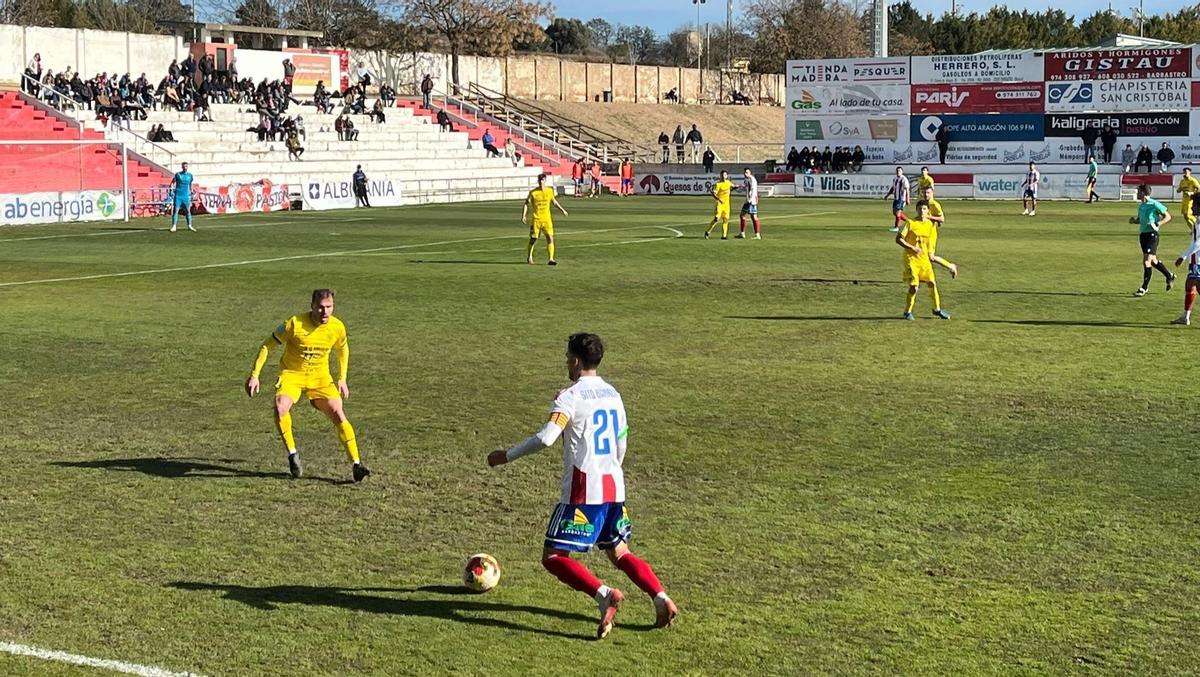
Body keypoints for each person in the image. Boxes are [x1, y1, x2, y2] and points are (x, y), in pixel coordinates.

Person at [485, 333, 678, 640]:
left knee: (554, 557)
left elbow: (546, 438)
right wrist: (610, 467)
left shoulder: (569, 397)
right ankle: (660, 597)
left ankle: (604, 594)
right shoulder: (614, 394)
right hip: (614, 486)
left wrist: (505, 456)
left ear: (575, 360)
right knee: (620, 552)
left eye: (566, 358)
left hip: (582, 492)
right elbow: (622, 442)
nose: (566, 363)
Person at [245, 289, 370, 483]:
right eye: (320, 307)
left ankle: (356, 464)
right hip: (292, 375)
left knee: (338, 412)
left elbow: (343, 348)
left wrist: (342, 378)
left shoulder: (337, 327)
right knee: (280, 408)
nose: (325, 312)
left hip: (320, 377)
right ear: (311, 306)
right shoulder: (294, 324)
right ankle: (292, 454)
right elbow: (266, 345)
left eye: (329, 307)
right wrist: (255, 375)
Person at [897, 201, 950, 320]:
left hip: (924, 259)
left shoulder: (930, 225)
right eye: (920, 209)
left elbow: (931, 241)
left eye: (924, 209)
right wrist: (912, 248)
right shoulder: (910, 223)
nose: (922, 211)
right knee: (914, 286)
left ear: (927, 211)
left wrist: (930, 253)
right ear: (917, 210)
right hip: (911, 259)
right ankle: (907, 311)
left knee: (932, 283)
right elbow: (898, 239)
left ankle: (937, 309)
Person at [1130, 183, 1175, 297]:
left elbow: (1168, 216)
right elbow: (1141, 220)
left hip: (1152, 235)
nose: (1137, 193)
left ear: (1143, 193)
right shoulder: (1141, 206)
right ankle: (1169, 275)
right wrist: (1134, 221)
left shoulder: (1154, 204)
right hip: (1143, 235)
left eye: (1138, 191)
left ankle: (1144, 287)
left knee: (1146, 260)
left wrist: (1157, 223)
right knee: (1153, 260)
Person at [522, 173, 568, 265]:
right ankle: (529, 256)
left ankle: (551, 259)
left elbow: (554, 202)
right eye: (539, 180)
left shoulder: (549, 191)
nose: (541, 182)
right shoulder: (533, 193)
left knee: (550, 238)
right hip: (536, 219)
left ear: (545, 180)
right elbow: (526, 203)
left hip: (547, 219)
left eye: (542, 180)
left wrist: (562, 210)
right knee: (533, 239)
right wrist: (524, 215)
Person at [1171, 200, 1200, 325]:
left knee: (1194, 284)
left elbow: (1198, 243)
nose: (1191, 207)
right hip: (1195, 259)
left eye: (1194, 205)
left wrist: (1182, 256)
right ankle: (1185, 317)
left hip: (1197, 260)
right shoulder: (1197, 221)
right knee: (1190, 285)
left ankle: (1185, 317)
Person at [921, 187, 958, 279]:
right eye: (925, 193)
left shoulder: (935, 204)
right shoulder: (923, 204)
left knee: (931, 257)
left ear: (932, 193)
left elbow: (942, 219)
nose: (926, 194)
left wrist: (929, 217)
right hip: (922, 233)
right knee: (921, 254)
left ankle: (950, 266)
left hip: (930, 234)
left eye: (928, 193)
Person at [704, 170, 734, 240]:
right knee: (716, 218)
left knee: (725, 219)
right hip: (719, 204)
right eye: (722, 175)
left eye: (725, 175)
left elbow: (732, 187)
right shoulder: (718, 184)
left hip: (726, 205)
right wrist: (719, 199)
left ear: (727, 176)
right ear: (720, 176)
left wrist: (737, 187)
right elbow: (714, 194)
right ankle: (708, 231)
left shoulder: (728, 183)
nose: (723, 177)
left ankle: (724, 236)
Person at [169, 162, 195, 232]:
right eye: (184, 166)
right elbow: (172, 182)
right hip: (178, 195)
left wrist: (191, 191)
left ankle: (189, 225)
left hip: (186, 196)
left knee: (188, 211)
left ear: (187, 167)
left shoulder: (190, 175)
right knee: (176, 211)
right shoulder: (178, 174)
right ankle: (174, 226)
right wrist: (171, 189)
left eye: (186, 166)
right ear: (182, 167)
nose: (185, 167)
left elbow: (190, 184)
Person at [883, 166, 910, 232]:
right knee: (895, 213)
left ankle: (896, 227)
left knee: (898, 213)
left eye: (900, 171)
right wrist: (887, 195)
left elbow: (907, 189)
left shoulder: (904, 179)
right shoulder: (895, 179)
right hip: (896, 198)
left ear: (902, 172)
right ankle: (909, 222)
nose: (898, 172)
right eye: (897, 171)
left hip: (901, 199)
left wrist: (907, 199)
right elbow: (893, 188)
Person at [737, 167, 761, 240]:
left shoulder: (751, 179)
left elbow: (753, 190)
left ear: (750, 173)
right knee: (742, 215)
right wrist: (738, 188)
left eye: (747, 172)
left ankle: (757, 235)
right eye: (744, 172)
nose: (745, 174)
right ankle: (742, 233)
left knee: (753, 217)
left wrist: (751, 200)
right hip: (748, 200)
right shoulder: (746, 179)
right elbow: (746, 188)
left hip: (751, 201)